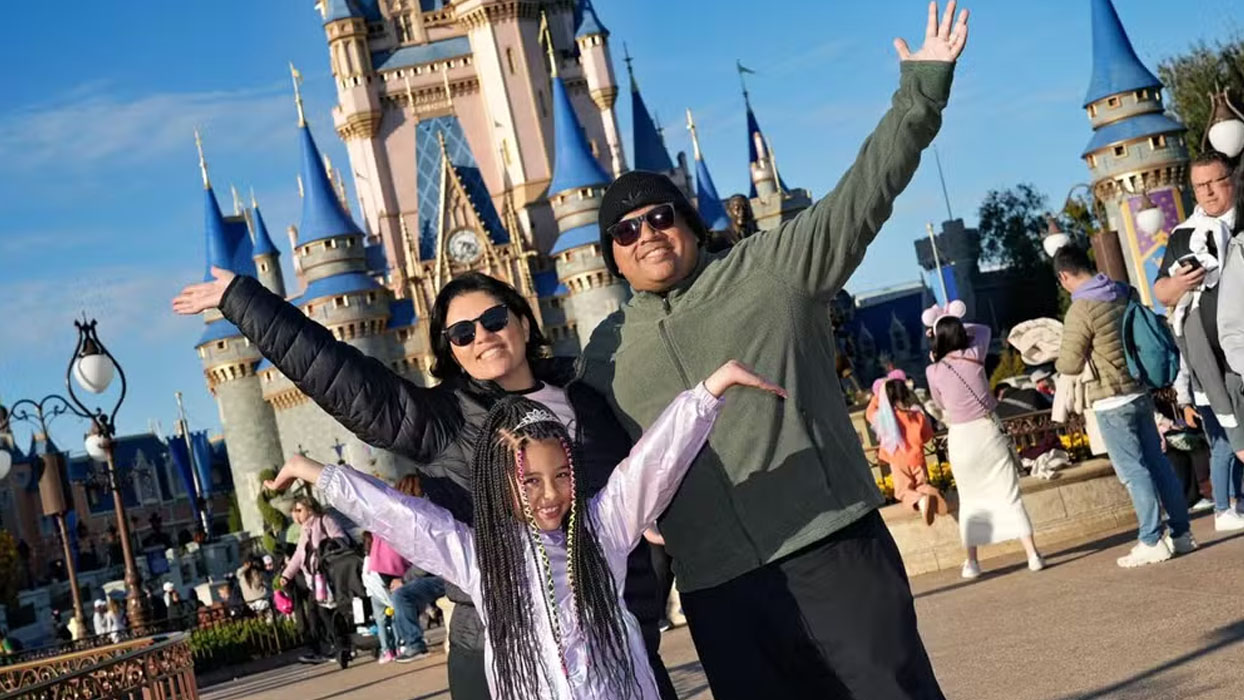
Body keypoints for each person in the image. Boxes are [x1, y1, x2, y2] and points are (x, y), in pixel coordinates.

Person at [566, 5, 970, 697]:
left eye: (660, 216)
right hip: (718, 588)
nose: (646, 234)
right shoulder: (607, 349)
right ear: (611, 257)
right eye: (625, 231)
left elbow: (860, 196)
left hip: (828, 547)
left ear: (689, 224)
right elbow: (572, 442)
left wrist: (921, 90)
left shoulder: (769, 269)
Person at [176, 272, 672, 695]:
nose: (482, 336)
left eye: (494, 319)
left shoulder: (588, 398)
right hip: (502, 650)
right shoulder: (443, 422)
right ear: (450, 351)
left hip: (614, 635)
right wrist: (244, 300)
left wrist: (643, 616)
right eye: (462, 333)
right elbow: (342, 378)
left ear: (523, 322)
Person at [264, 361, 781, 700]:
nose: (550, 494)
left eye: (562, 476)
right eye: (530, 481)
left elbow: (650, 466)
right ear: (501, 484)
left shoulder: (600, 530)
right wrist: (316, 472)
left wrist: (708, 393)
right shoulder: (481, 558)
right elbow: (403, 518)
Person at [1053, 244, 1196, 566]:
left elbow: (1070, 363)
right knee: (1158, 465)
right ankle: (1182, 533)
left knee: (1134, 471)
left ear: (1064, 276)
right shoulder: (1122, 291)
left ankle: (1151, 539)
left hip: (1110, 400)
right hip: (1139, 391)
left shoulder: (1081, 309)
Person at [1152, 150, 1244, 531]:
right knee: (1230, 436)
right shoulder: (1185, 235)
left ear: (1232, 179)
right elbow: (1161, 291)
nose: (1207, 192)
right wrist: (1179, 283)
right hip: (1213, 360)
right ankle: (1228, 507)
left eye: (1214, 182)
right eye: (1199, 186)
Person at [924, 303, 1043, 577]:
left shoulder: (934, 371)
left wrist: (939, 332)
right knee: (1009, 494)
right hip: (987, 431)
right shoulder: (974, 354)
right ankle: (1033, 554)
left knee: (970, 499)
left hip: (961, 438)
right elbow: (983, 329)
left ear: (937, 338)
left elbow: (940, 403)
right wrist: (951, 322)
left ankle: (972, 563)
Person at [282, 493, 352, 668]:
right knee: (323, 612)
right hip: (316, 579)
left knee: (327, 610)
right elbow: (299, 555)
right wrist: (286, 575)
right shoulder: (305, 530)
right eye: (294, 511)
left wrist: (328, 547)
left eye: (299, 510)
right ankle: (339, 645)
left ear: (310, 508)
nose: (296, 514)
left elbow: (341, 537)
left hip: (330, 574)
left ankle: (341, 644)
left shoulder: (324, 521)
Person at [868, 370, 941, 524]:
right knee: (921, 484)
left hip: (898, 461)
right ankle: (932, 495)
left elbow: (869, 413)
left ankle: (922, 501)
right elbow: (928, 436)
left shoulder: (884, 418)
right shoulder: (917, 415)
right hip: (917, 459)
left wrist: (878, 394)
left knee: (903, 491)